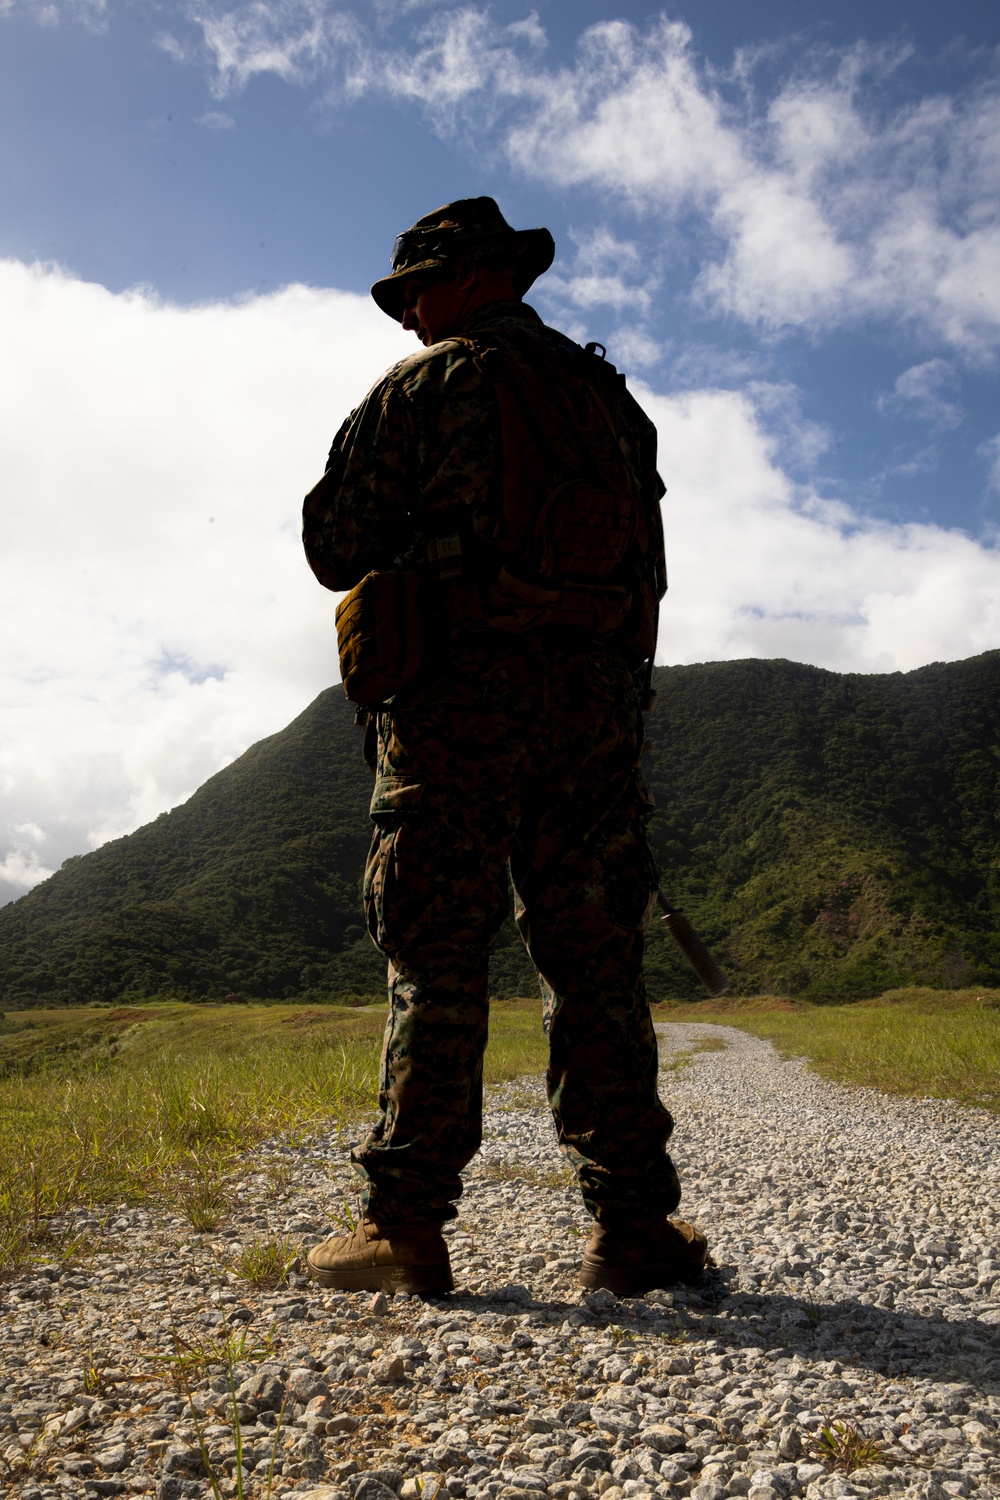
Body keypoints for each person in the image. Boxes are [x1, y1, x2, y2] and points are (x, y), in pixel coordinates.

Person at [301, 197, 708, 1298]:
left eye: (418, 288)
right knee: (597, 970)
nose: (405, 315)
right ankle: (634, 1234)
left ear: (477, 277)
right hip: (592, 718)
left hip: (456, 713)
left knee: (435, 960)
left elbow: (334, 546)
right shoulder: (608, 402)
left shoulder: (425, 389)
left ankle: (403, 1230)